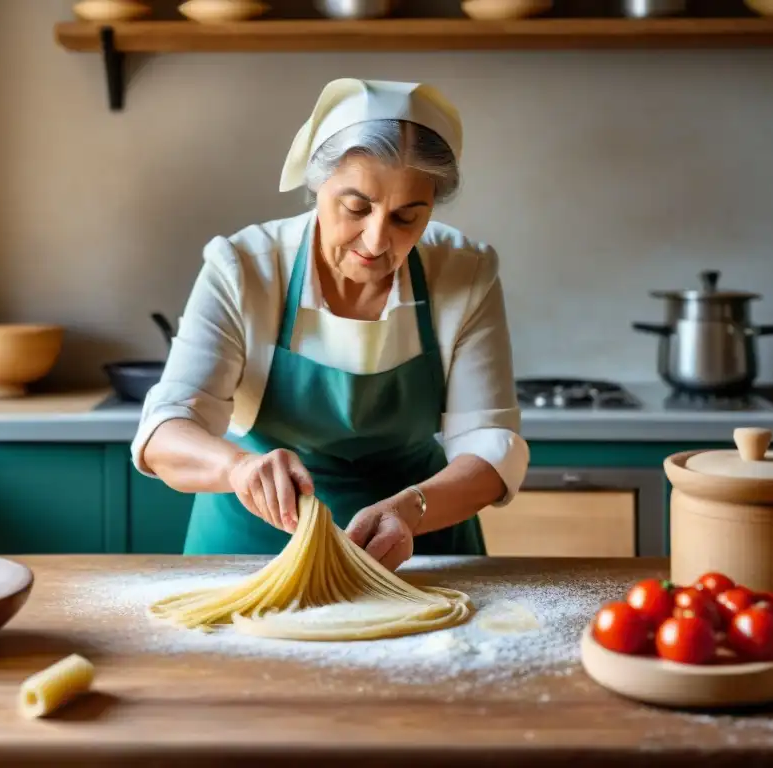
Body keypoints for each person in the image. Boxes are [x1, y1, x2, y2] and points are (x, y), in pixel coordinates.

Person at [130, 78, 529, 571]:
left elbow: (491, 449)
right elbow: (165, 432)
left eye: (407, 217)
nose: (377, 240)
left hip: (417, 543)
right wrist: (240, 468)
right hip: (251, 542)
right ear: (318, 184)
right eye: (356, 207)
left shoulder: (464, 272)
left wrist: (411, 511)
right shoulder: (245, 267)